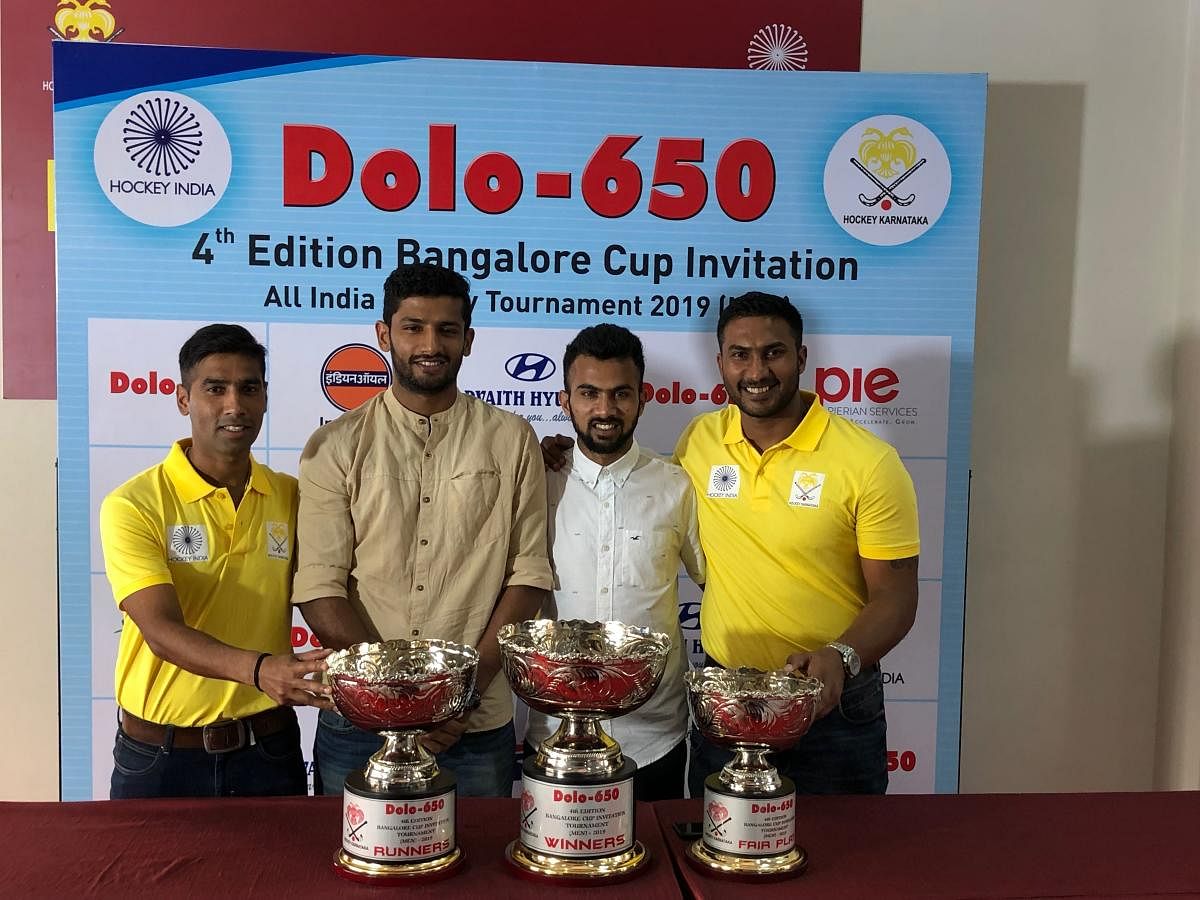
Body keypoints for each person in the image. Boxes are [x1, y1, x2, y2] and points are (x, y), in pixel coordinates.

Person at [293, 262, 552, 798]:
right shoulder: (335, 446)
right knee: (351, 876)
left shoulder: (511, 439)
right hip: (360, 721)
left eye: (447, 330)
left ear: (469, 340)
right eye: (413, 327)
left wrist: (456, 697)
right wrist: (400, 700)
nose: (430, 344)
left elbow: (527, 577)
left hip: (473, 722)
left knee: (478, 877)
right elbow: (319, 588)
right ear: (384, 335)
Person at [675, 292, 920, 796]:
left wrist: (841, 655)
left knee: (847, 863)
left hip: (833, 708)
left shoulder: (869, 463)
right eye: (740, 354)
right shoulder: (698, 441)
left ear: (802, 358)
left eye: (774, 352)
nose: (757, 370)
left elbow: (896, 599)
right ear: (720, 362)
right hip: (729, 698)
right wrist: (566, 457)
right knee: (722, 859)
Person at [99, 324, 333, 800]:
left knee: (276, 877)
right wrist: (260, 669)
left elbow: (328, 593)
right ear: (184, 399)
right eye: (215, 389)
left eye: (249, 388)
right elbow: (161, 631)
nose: (234, 405)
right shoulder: (135, 504)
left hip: (269, 748)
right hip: (159, 756)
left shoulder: (291, 495)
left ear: (265, 397)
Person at [527, 324, 705, 801]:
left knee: (653, 867)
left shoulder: (677, 486)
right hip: (552, 729)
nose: (604, 410)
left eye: (620, 394)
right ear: (565, 400)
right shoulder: (537, 483)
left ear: (643, 398)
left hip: (653, 736)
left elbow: (720, 582)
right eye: (588, 394)